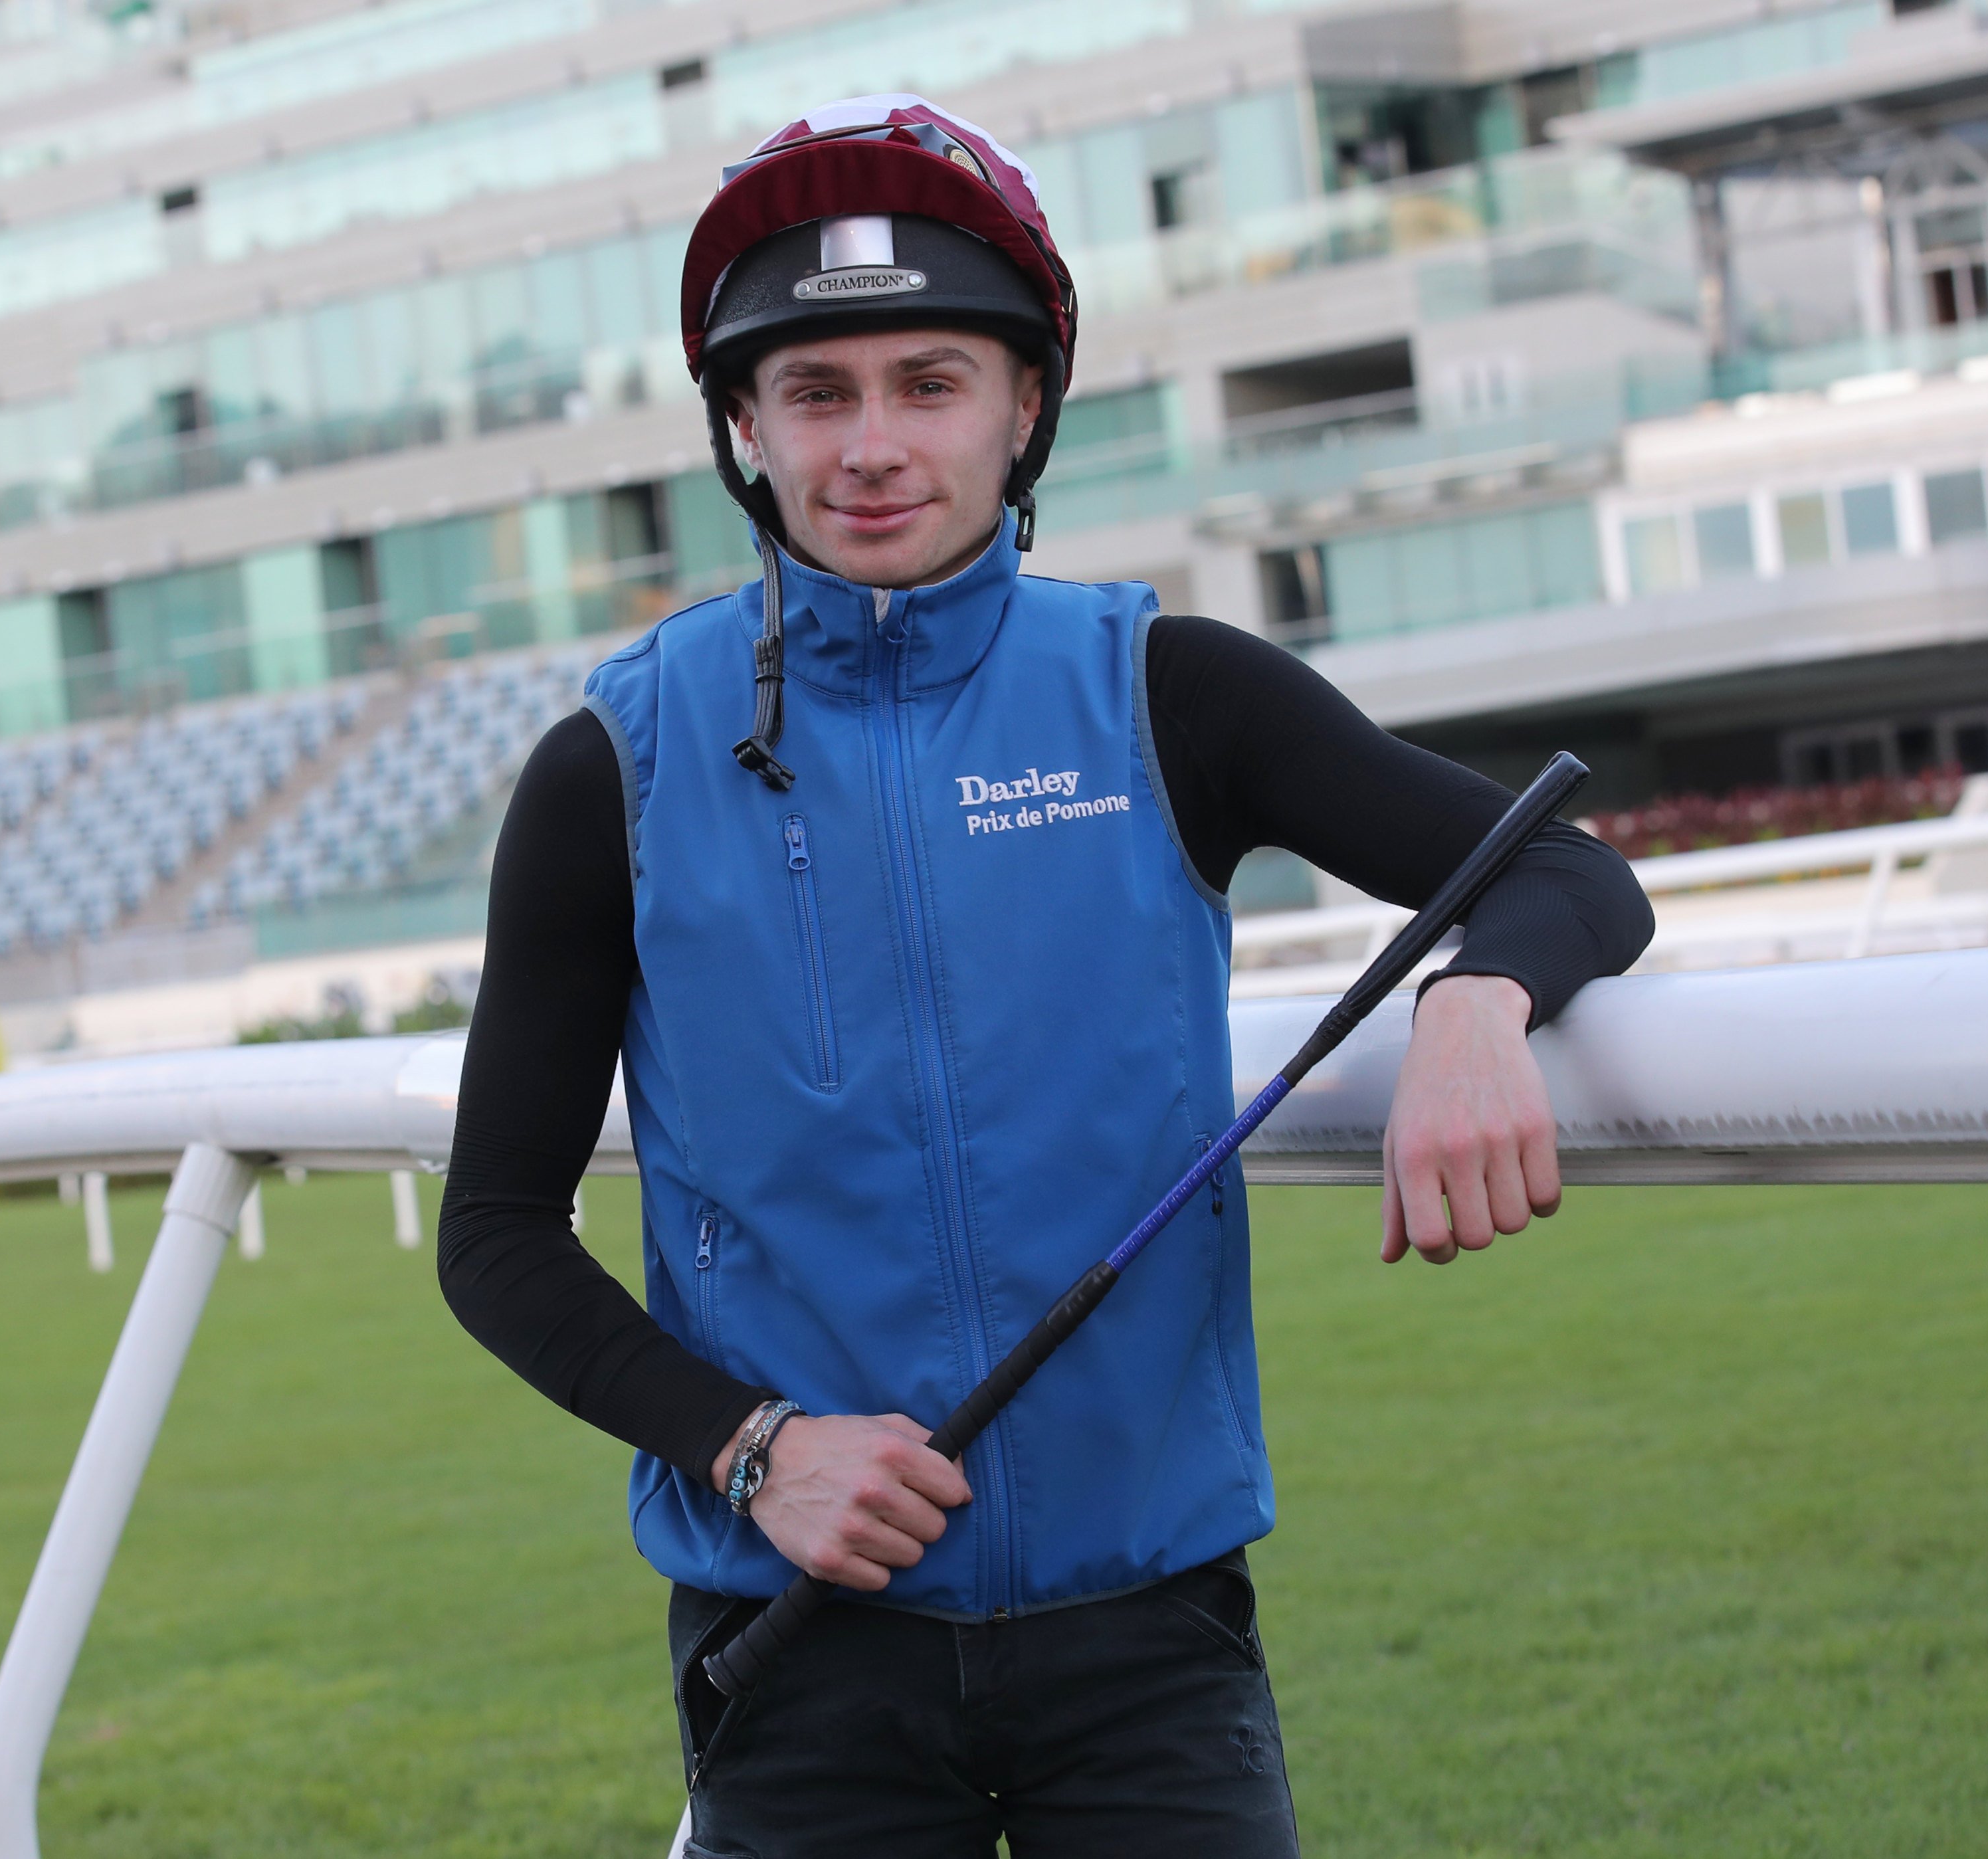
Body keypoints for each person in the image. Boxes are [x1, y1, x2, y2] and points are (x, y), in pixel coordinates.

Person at [437, 94, 1654, 1858]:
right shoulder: (607, 765)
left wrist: (1470, 1001)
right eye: (816, 392)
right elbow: (494, 1232)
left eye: (931, 382)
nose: (872, 443)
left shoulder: (1171, 691)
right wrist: (753, 1443)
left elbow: (1560, 869)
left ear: (1025, 410)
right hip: (796, 1655)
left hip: (1150, 1649)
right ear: (740, 430)